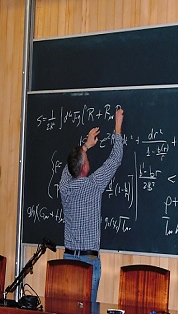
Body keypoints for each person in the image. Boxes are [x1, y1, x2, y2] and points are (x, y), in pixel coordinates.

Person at [59, 108, 124, 303]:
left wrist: (85, 146)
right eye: (87, 160)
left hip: (68, 260)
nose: (88, 161)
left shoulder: (64, 187)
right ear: (85, 167)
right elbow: (115, 160)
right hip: (88, 261)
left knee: (69, 309)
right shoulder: (93, 185)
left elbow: (68, 168)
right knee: (88, 309)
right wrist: (118, 127)